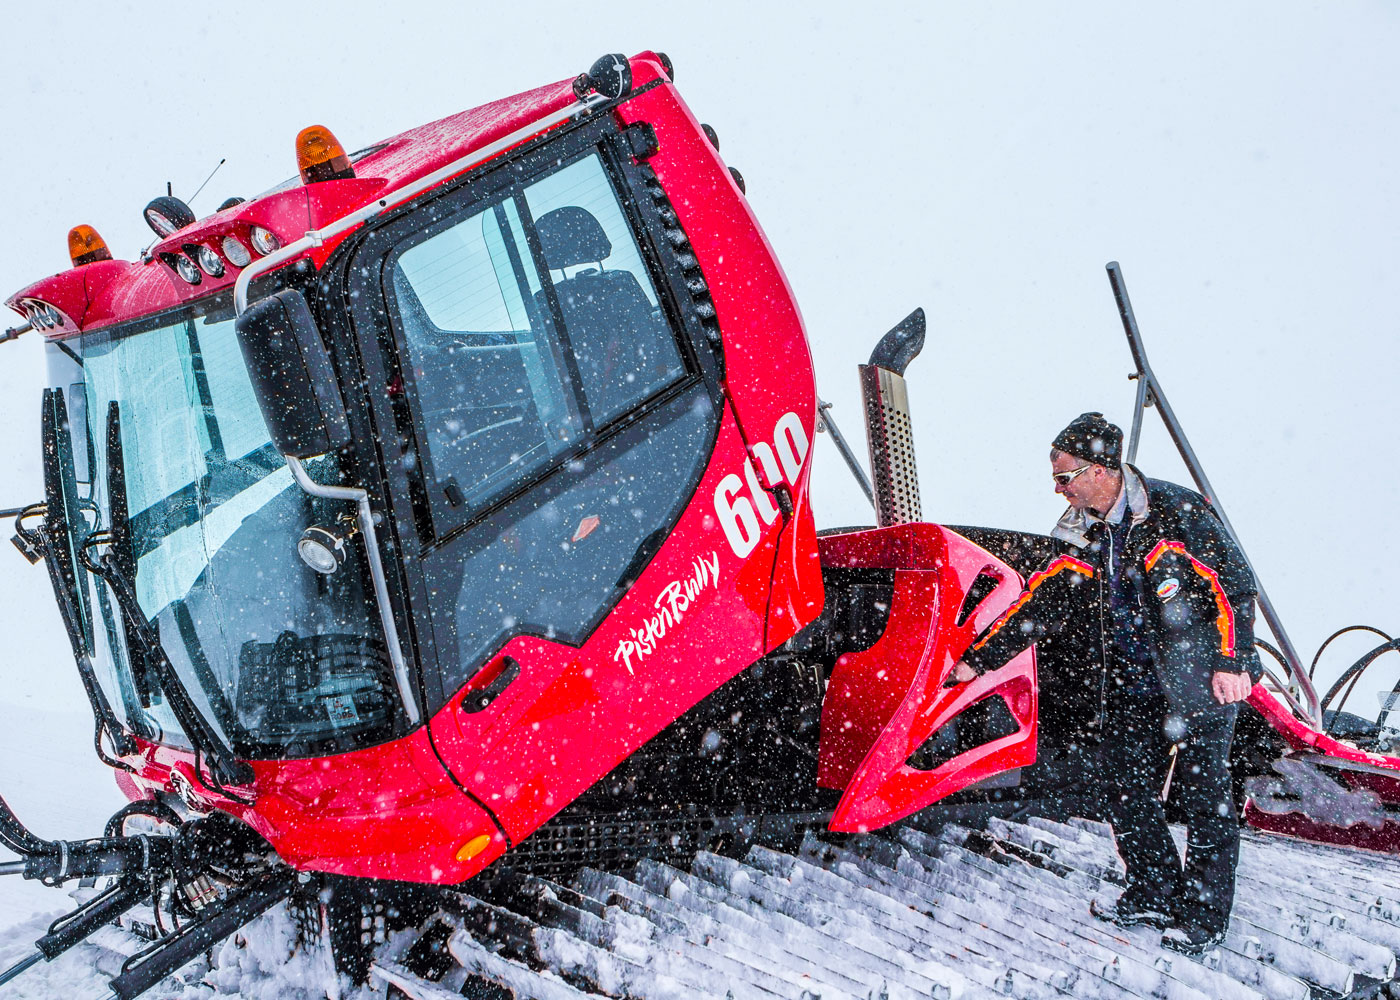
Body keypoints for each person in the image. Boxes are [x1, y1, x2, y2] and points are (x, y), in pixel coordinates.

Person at [948, 412, 1261, 955]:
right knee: (1121, 781)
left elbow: (1234, 585)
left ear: (1100, 470)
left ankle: (1204, 921)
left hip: (1201, 679)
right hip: (1137, 681)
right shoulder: (1083, 529)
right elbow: (1045, 597)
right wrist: (981, 658)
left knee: (1204, 795)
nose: (1058, 488)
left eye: (1065, 476)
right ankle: (1154, 891)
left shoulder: (1173, 511)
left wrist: (1234, 661)